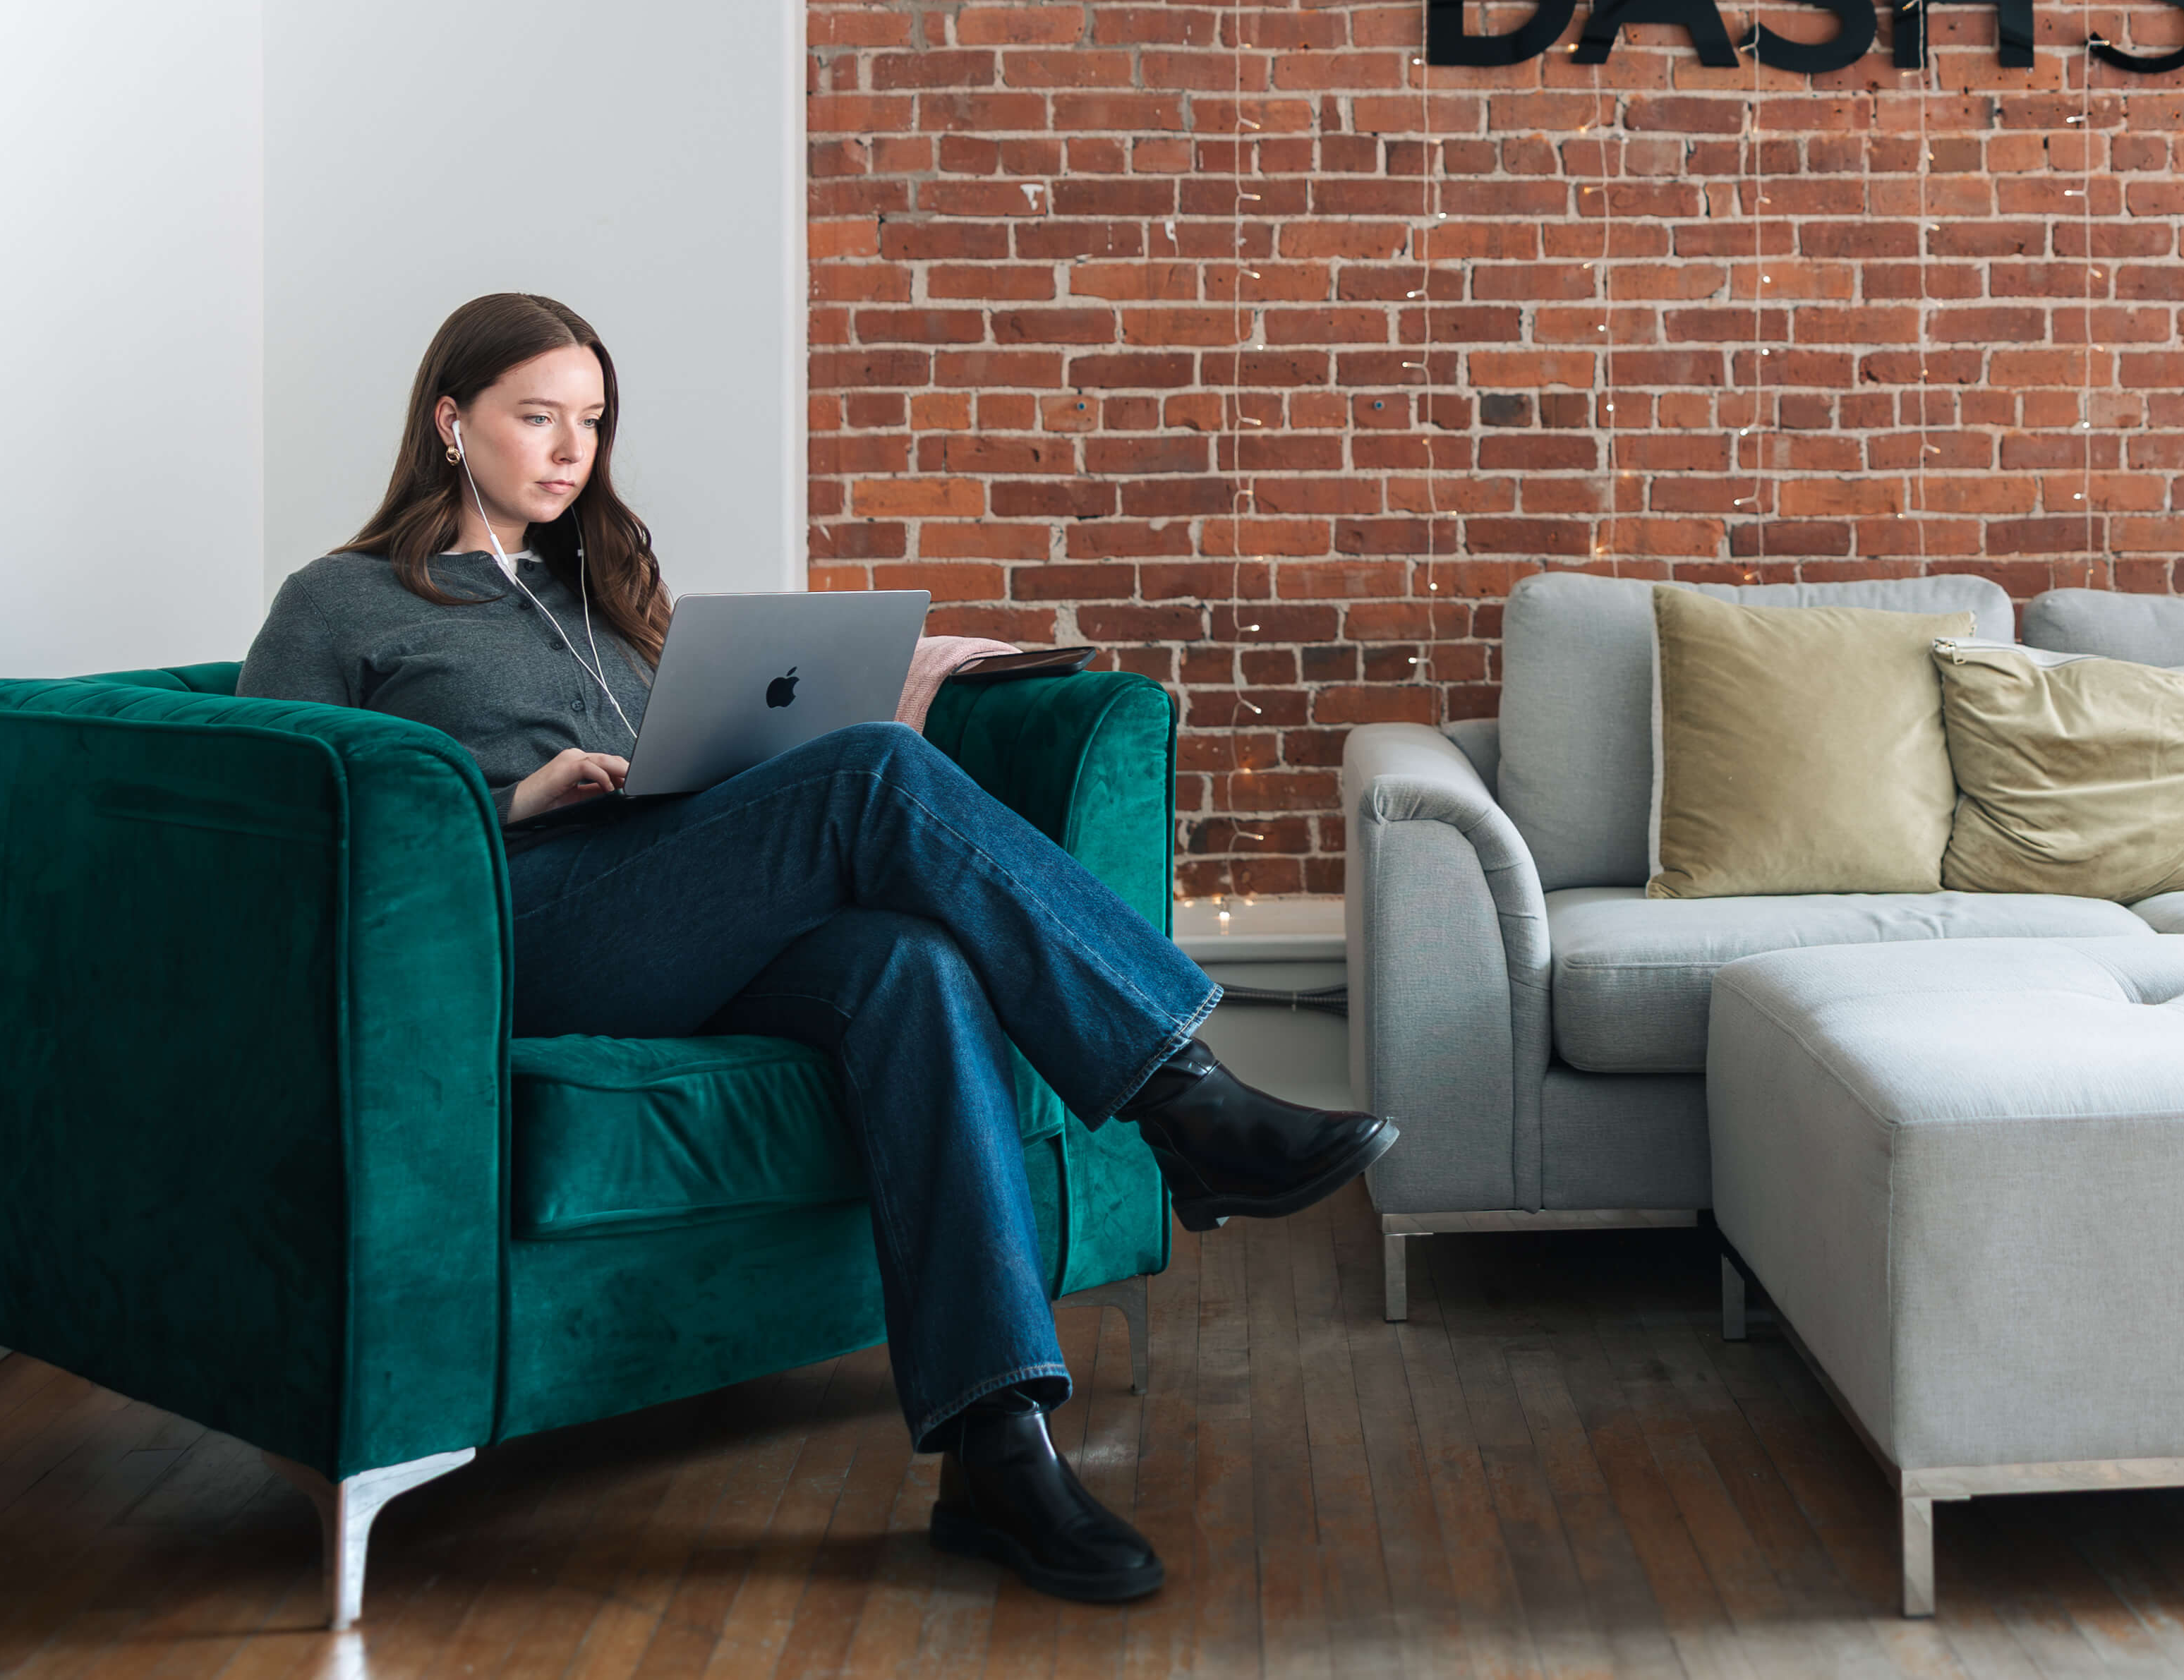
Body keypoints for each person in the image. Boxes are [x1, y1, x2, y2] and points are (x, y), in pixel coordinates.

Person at [238, 291, 1395, 1605]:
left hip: (660, 906)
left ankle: (995, 1449)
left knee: (914, 966)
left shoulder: (602, 585)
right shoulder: (339, 603)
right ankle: (1184, 1099)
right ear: (452, 422)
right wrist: (508, 798)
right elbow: (284, 832)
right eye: (536, 416)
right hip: (510, 932)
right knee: (875, 776)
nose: (569, 450)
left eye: (592, 423)